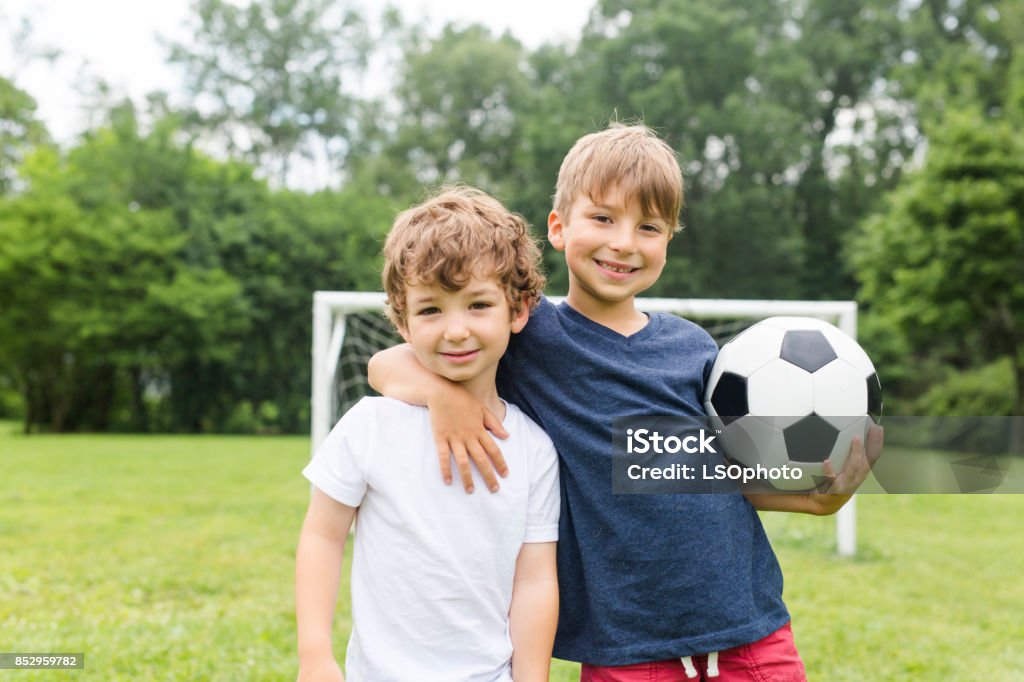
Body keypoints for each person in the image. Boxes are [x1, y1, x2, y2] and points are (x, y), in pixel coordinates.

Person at [368, 124, 884, 680]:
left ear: (667, 241)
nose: (624, 242)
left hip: (750, 634)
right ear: (560, 227)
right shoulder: (530, 334)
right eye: (603, 218)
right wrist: (444, 397)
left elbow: (711, 477)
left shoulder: (692, 349)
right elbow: (386, 365)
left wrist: (813, 502)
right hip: (626, 650)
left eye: (649, 227)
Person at [295, 186, 560, 682]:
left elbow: (535, 580)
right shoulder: (370, 425)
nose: (455, 330)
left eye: (477, 305)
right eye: (431, 310)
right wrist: (314, 655)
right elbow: (322, 536)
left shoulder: (534, 448)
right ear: (402, 321)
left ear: (518, 310)